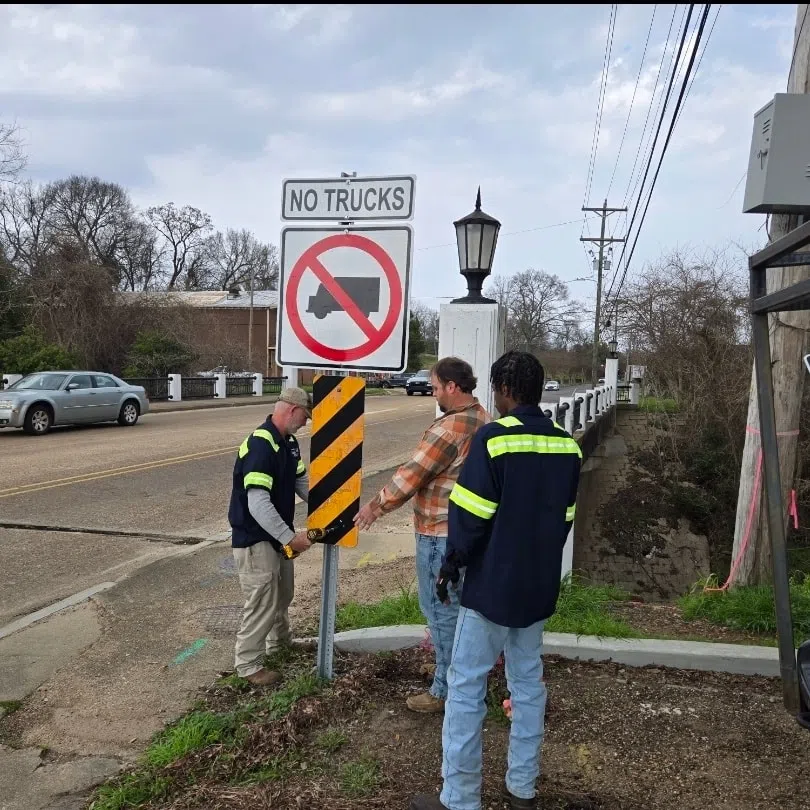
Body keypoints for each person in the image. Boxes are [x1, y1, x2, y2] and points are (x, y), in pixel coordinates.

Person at [410, 351, 581, 810]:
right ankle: (522, 788)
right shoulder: (568, 445)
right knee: (528, 685)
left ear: (504, 390)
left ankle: (460, 798)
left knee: (466, 685)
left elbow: (469, 517)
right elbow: (565, 519)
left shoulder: (494, 439)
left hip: (489, 590)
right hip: (538, 588)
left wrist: (451, 567)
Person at [354, 357, 489, 713]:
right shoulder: (482, 418)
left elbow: (412, 474)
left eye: (436, 386)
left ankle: (444, 689)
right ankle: (452, 670)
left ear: (452, 386)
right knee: (457, 610)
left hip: (437, 533)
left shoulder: (448, 428)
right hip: (464, 533)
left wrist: (375, 507)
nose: (433, 392)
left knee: (441, 610)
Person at [228, 387, 315, 686]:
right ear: (292, 410)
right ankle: (249, 665)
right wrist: (290, 538)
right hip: (255, 539)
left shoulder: (288, 443)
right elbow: (257, 502)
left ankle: (280, 644)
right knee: (262, 599)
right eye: (305, 416)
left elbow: (301, 481)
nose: (306, 422)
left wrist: (326, 506)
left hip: (276, 538)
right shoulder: (261, 444)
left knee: (283, 594)